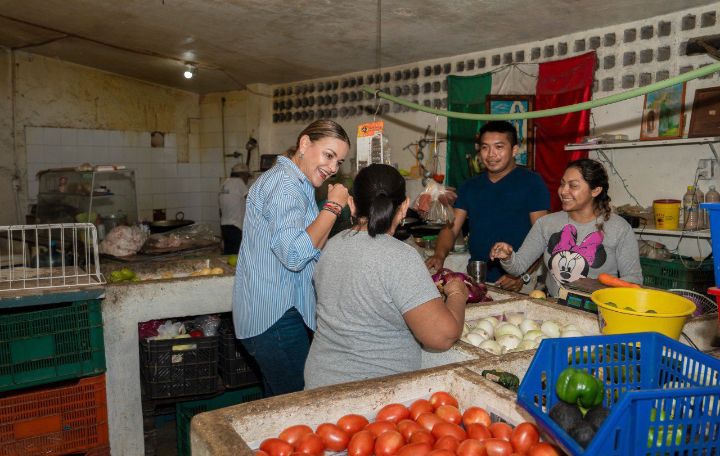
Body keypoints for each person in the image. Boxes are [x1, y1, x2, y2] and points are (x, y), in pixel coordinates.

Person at [304, 164, 468, 389]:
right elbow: (442, 337)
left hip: (319, 384)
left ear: (352, 204)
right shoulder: (400, 257)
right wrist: (457, 294)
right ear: (404, 207)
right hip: (376, 395)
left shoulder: (330, 246)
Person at [232, 119, 351, 396]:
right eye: (328, 155)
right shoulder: (285, 186)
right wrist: (333, 206)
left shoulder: (297, 184)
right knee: (297, 404)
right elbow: (295, 255)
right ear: (305, 143)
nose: (333, 168)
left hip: (279, 312)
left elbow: (312, 243)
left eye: (339, 162)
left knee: (280, 403)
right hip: (275, 318)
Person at [490, 158, 643, 297]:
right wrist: (508, 257)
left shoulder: (619, 229)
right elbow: (518, 267)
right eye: (562, 183)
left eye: (573, 186)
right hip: (555, 308)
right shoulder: (546, 224)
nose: (563, 191)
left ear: (595, 190)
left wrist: (606, 295)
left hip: (599, 311)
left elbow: (633, 280)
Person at [426, 120, 550, 291]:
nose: (491, 154)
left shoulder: (532, 183)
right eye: (485, 147)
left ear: (514, 150)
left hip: (517, 280)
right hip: (477, 277)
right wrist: (439, 255)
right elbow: (451, 228)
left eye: (499, 147)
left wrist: (523, 275)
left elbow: (542, 237)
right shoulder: (469, 186)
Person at [219, 163, 251, 254]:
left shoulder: (225, 183)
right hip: (236, 227)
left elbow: (220, 210)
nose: (247, 179)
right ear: (242, 175)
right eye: (247, 176)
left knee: (228, 254)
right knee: (238, 255)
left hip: (224, 226)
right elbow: (251, 200)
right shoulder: (239, 182)